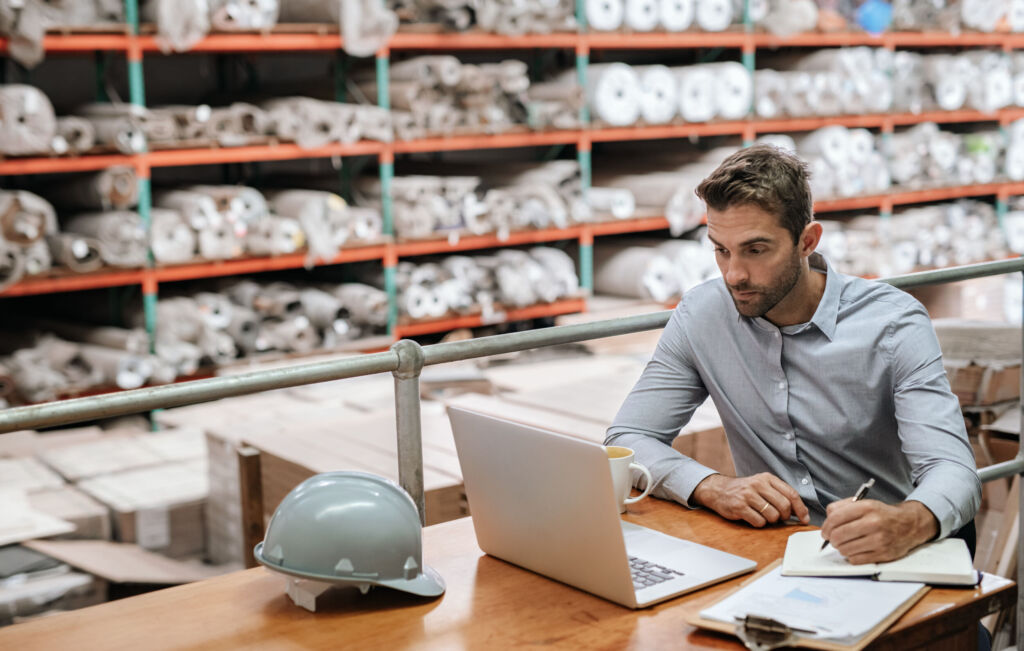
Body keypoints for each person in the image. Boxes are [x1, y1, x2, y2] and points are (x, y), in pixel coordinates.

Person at [605, 144, 981, 565]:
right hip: (769, 553)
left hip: (885, 556)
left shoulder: (893, 324)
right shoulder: (701, 315)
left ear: (807, 241)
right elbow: (626, 438)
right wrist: (711, 486)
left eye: (756, 250)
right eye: (721, 249)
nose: (734, 275)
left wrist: (908, 521)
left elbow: (953, 470)